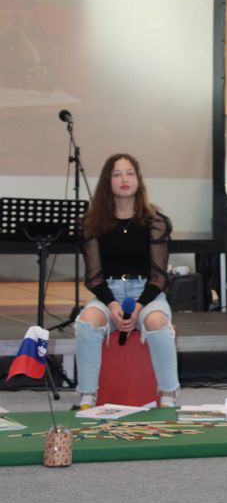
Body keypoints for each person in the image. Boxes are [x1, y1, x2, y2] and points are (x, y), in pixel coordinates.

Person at [75, 153, 179, 410]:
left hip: (146, 294)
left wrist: (139, 307)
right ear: (107, 181)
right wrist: (112, 305)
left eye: (130, 173)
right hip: (108, 294)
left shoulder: (156, 221)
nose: (124, 179)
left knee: (157, 323)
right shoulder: (93, 223)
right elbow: (93, 276)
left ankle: (168, 394)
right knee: (87, 323)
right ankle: (87, 396)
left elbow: (159, 277)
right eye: (117, 174)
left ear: (138, 180)